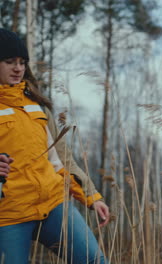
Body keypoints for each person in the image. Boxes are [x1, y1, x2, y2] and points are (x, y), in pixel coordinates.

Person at [0, 28, 110, 264]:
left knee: (95, 261)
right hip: (8, 215)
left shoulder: (36, 106)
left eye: (22, 62)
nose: (18, 68)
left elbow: (61, 159)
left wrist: (91, 196)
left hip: (53, 204)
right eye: (9, 62)